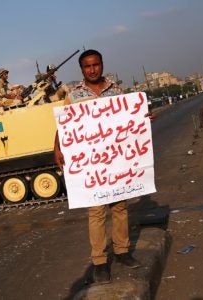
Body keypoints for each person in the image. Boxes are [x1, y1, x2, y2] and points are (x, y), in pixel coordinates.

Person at [53, 49, 142, 285]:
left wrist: (143, 118)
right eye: (87, 66)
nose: (92, 69)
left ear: (102, 65)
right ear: (82, 69)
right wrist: (57, 148)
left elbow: (128, 118)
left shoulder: (116, 90)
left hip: (115, 159)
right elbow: (63, 124)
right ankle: (100, 262)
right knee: (96, 211)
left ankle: (122, 252)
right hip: (91, 164)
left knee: (120, 207)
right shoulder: (73, 95)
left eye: (96, 65)